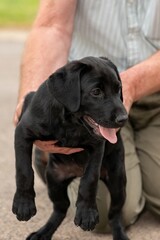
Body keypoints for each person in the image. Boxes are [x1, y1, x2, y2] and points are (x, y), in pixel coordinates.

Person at [14, 0, 160, 233]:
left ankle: (137, 160)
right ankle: (53, 161)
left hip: (151, 89)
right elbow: (51, 26)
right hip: (82, 99)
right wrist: (32, 106)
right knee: (104, 213)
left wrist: (130, 84)